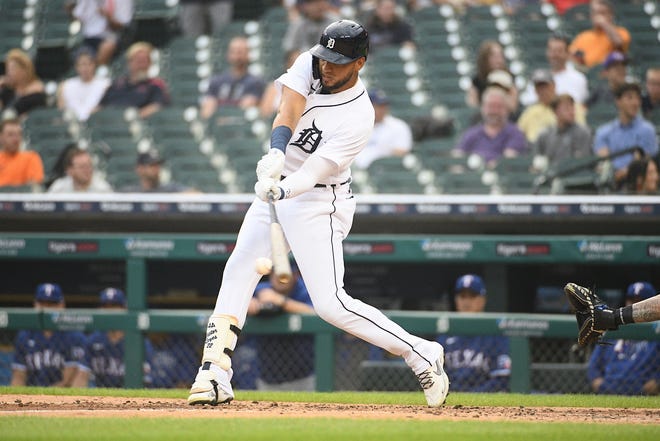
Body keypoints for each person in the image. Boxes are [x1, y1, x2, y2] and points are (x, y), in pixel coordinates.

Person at [187, 19, 449, 408]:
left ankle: (420, 352)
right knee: (238, 268)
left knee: (331, 304)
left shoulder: (360, 115)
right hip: (279, 185)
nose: (326, 66)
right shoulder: (311, 61)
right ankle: (214, 374)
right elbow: (287, 111)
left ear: (359, 63)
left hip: (319, 201)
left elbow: (312, 174)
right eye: (325, 57)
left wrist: (282, 187)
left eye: (338, 62)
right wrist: (277, 153)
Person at [437, 275, 511, 392]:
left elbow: (502, 378)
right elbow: (436, 376)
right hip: (450, 401)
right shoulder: (445, 335)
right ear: (456, 300)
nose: (466, 302)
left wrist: (473, 398)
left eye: (472, 296)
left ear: (482, 299)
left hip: (486, 403)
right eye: (462, 296)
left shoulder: (495, 333)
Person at [247, 263, 316, 390]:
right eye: (275, 273)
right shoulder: (262, 289)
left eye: (283, 273)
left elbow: (315, 313)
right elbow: (249, 298)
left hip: (304, 375)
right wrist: (249, 304)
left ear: (295, 275)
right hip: (267, 376)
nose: (278, 277)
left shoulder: (306, 290)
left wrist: (282, 301)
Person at [586, 281, 659, 395]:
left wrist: (654, 383)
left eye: (640, 301)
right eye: (631, 300)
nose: (635, 305)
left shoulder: (656, 334)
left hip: (642, 394)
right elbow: (593, 366)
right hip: (607, 392)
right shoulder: (613, 329)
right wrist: (601, 386)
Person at [10, 283, 88, 387]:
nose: (46, 308)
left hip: (62, 398)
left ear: (62, 305)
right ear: (35, 304)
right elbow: (18, 376)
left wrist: (42, 398)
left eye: (52, 304)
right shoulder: (24, 335)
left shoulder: (74, 336)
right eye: (42, 303)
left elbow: (68, 382)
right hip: (30, 396)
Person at [85, 288, 154, 388]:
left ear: (124, 308)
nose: (109, 310)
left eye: (114, 306)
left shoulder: (140, 343)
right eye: (105, 306)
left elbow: (146, 381)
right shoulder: (93, 340)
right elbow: (83, 375)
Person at [593, 81, 658, 187]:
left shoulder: (647, 130)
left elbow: (643, 164)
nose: (635, 103)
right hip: (610, 183)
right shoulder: (604, 132)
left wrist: (623, 173)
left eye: (638, 98)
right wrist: (611, 173)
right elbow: (602, 161)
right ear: (618, 101)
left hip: (636, 185)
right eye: (629, 98)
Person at [454, 87, 528, 168]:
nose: (494, 111)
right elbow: (457, 158)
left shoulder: (515, 133)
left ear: (506, 109)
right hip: (472, 177)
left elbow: (508, 161)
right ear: (483, 108)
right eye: (490, 106)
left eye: (498, 106)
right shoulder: (472, 133)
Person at [97, 42, 170, 119]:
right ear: (129, 62)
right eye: (138, 61)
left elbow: (158, 106)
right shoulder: (116, 85)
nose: (141, 65)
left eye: (145, 61)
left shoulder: (155, 85)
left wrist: (133, 117)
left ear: (150, 64)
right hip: (110, 123)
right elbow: (100, 106)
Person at [200, 36, 265, 120]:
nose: (237, 56)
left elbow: (247, 106)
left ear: (248, 54)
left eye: (240, 52)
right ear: (228, 54)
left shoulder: (255, 82)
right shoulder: (216, 81)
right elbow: (207, 109)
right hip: (218, 125)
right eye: (233, 51)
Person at [519, 33, 589, 107]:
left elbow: (578, 105)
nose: (555, 55)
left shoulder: (578, 78)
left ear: (568, 53)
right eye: (552, 50)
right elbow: (528, 101)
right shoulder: (539, 78)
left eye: (559, 51)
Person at [517, 69, 586, 143]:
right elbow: (518, 134)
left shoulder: (571, 106)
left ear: (554, 85)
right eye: (538, 87)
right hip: (534, 149)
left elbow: (580, 132)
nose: (542, 91)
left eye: (545, 86)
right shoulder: (530, 112)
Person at [353, 88, 413, 169]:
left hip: (384, 171)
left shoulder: (398, 126)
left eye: (384, 106)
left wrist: (385, 151)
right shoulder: (353, 125)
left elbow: (402, 152)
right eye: (378, 106)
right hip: (353, 172)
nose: (382, 110)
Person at [68, 0, 134, 67]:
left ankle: (96, 72)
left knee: (108, 45)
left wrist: (108, 17)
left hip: (115, 36)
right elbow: (77, 16)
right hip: (88, 37)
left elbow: (122, 25)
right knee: (81, 53)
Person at [533, 93, 592, 168]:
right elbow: (538, 161)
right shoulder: (545, 134)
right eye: (566, 108)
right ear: (556, 111)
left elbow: (583, 161)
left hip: (575, 176)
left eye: (572, 107)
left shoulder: (583, 132)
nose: (571, 112)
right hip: (549, 175)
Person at [568, 0, 630, 69]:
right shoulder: (583, 36)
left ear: (611, 15)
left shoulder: (621, 31)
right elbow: (571, 55)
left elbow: (618, 42)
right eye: (595, 13)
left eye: (602, 13)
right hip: (589, 73)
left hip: (610, 72)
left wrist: (605, 24)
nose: (598, 17)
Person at [57, 47, 110, 122]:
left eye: (88, 64)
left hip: (96, 124)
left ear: (94, 64)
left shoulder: (105, 85)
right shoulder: (65, 85)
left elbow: (104, 109)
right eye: (81, 64)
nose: (85, 68)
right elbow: (61, 111)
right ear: (76, 67)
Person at [0, 49, 47, 117]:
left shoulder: (36, 93)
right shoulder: (7, 91)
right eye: (8, 69)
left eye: (13, 69)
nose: (9, 73)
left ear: (24, 70)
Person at [120, 149, 191, 193]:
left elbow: (197, 196)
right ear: (140, 169)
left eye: (158, 165)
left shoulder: (170, 189)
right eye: (152, 165)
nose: (157, 168)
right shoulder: (130, 192)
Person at [0, 118, 44, 188]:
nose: (16, 139)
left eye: (19, 134)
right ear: (1, 137)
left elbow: (34, 184)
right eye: (10, 135)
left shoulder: (31, 157)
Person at [47, 147, 113, 193]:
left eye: (89, 165)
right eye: (82, 167)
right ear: (69, 170)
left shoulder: (103, 189)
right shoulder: (59, 189)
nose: (87, 170)